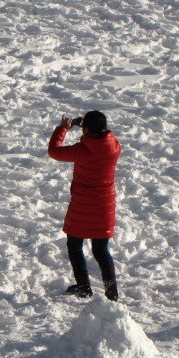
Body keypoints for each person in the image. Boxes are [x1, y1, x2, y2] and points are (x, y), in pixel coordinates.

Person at [47, 111, 122, 300]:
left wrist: (63, 129)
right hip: (105, 206)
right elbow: (99, 139)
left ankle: (84, 287)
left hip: (82, 205)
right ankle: (112, 292)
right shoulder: (114, 147)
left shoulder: (81, 151)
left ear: (86, 128)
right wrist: (87, 127)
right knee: (101, 250)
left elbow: (54, 151)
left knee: (74, 246)